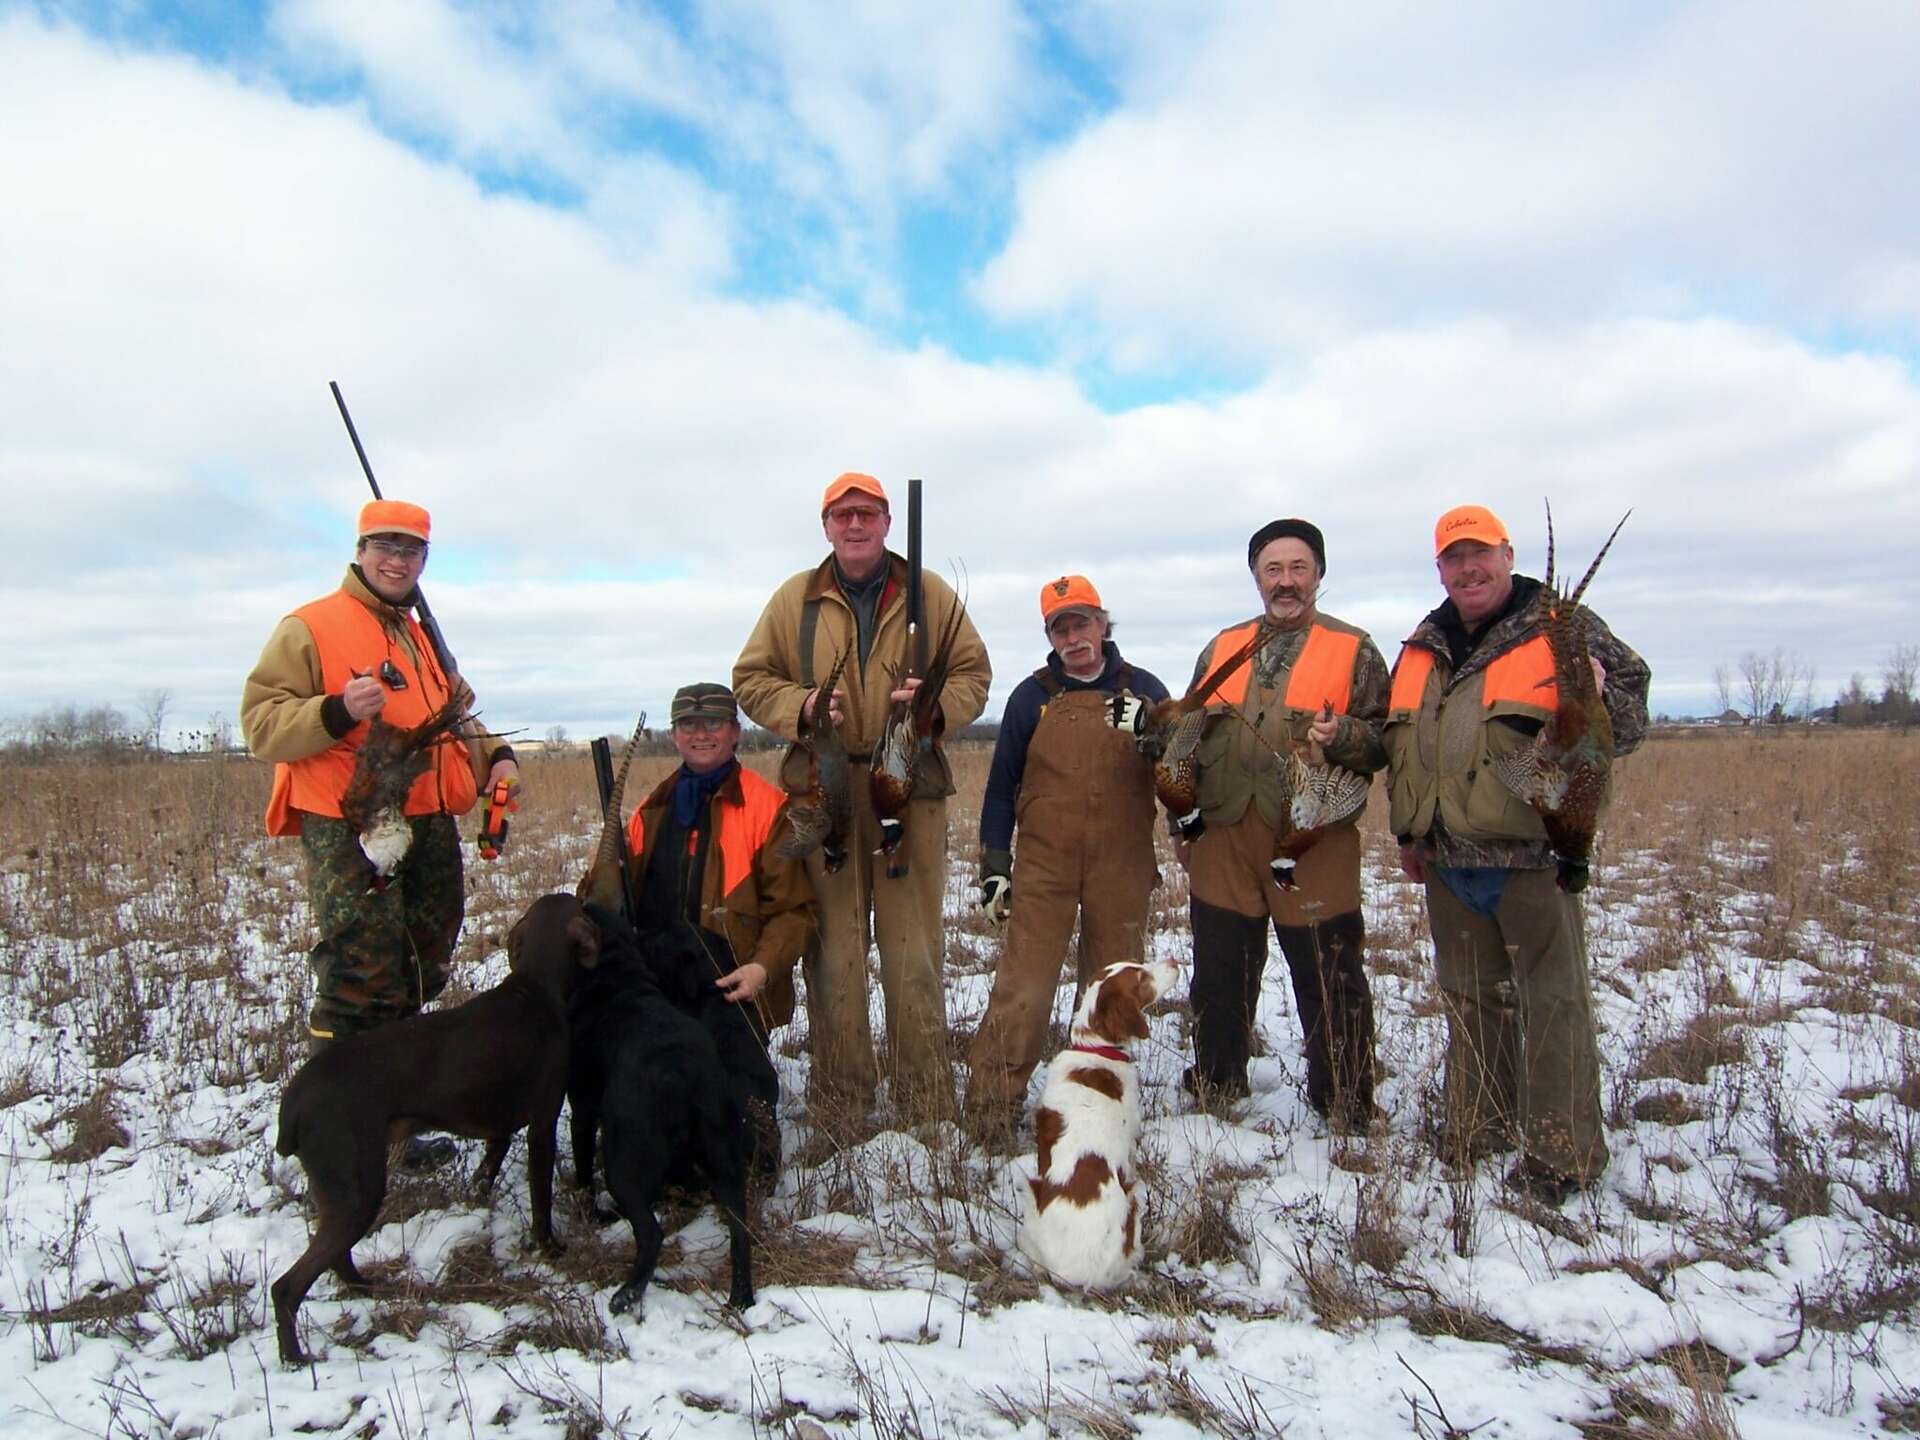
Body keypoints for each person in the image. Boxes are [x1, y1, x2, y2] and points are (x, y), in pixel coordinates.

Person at [1385, 504, 1649, 1204]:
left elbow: (1628, 723)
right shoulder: (1422, 645)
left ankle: (1562, 1155)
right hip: (1448, 859)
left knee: (1553, 1004)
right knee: (1470, 998)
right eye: (1454, 558)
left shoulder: (1563, 626)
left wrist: (1593, 700)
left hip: (1534, 858)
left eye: (1481, 553)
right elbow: (1404, 747)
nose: (1468, 569)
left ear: (1507, 555)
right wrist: (1410, 835)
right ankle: (1477, 1127)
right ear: (1440, 568)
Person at [242, 501, 518, 1163]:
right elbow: (261, 725)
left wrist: (499, 756)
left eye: (410, 550)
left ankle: (393, 1118)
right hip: (354, 824)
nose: (397, 561)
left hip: (429, 820)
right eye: (384, 547)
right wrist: (336, 709)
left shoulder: (420, 636)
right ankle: (338, 1134)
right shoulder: (311, 626)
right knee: (362, 975)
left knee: (420, 965)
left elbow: (455, 718)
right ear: (360, 550)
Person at [733, 473, 991, 1127]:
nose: (855, 525)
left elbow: (974, 675)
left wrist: (931, 708)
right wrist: (803, 706)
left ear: (886, 523)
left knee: (913, 952)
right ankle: (842, 1100)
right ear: (826, 525)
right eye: (843, 514)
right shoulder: (795, 599)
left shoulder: (929, 593)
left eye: (867, 514)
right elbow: (750, 679)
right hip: (827, 791)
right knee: (834, 954)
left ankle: (924, 1101)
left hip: (909, 788)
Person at [1177, 519, 1388, 1130]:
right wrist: (1180, 826)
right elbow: (1184, 740)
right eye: (1273, 569)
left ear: (1319, 574)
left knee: (1329, 972)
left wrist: (1342, 734)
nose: (1286, 581)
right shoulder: (1221, 647)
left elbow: (1384, 742)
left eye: (1299, 568)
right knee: (1219, 970)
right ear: (1257, 577)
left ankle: (1345, 1101)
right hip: (1224, 834)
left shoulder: (1354, 649)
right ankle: (1217, 1082)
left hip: (1313, 838)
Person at [961, 576, 1173, 1146]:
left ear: (1103, 625)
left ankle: (1101, 1106)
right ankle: (989, 1111)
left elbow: (1182, 769)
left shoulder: (1145, 690)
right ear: (1049, 636)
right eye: (1061, 628)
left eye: (1083, 623)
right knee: (1023, 988)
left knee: (1112, 991)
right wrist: (995, 864)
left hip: (1122, 864)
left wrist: (1153, 731)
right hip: (1044, 866)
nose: (1073, 637)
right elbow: (1001, 788)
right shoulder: (1030, 697)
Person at [619, 682, 817, 1177]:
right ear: (674, 735)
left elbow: (794, 911)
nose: (700, 734)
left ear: (735, 732)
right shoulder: (650, 809)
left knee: (743, 1142)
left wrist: (761, 969)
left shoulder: (768, 807)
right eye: (688, 724)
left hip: (732, 983)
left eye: (713, 723)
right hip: (660, 982)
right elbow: (607, 899)